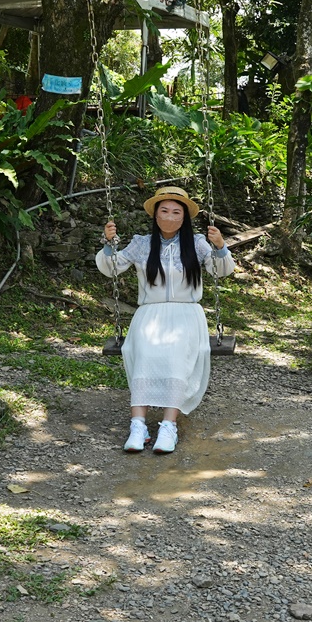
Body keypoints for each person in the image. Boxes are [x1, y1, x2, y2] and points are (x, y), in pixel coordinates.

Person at [96, 186, 235, 454]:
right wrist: (108, 243)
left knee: (175, 359)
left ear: (184, 217)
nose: (170, 216)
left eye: (176, 212)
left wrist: (219, 247)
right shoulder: (142, 243)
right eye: (164, 211)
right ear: (155, 215)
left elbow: (220, 271)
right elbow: (112, 268)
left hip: (186, 314)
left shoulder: (196, 243)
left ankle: (168, 426)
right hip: (150, 313)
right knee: (144, 355)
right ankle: (138, 425)